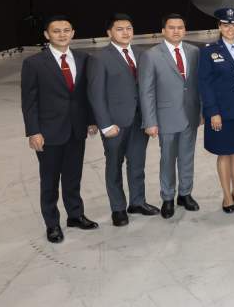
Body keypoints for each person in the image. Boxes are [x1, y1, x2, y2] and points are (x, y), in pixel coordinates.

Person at [21, 15, 98, 243]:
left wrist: (91, 120)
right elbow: (29, 101)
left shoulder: (84, 58)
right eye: (56, 31)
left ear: (73, 33)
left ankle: (75, 215)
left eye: (66, 30)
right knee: (50, 180)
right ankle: (52, 223)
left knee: (74, 176)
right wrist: (33, 131)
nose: (62, 34)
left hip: (76, 129)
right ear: (47, 35)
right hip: (49, 132)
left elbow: (87, 94)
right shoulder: (34, 63)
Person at [87, 13, 158, 227]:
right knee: (114, 166)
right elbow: (95, 94)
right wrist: (105, 124)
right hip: (115, 124)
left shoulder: (142, 53)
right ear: (109, 33)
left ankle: (137, 202)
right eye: (120, 29)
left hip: (140, 120)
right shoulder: (99, 58)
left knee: (137, 164)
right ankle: (118, 208)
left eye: (129, 28)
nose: (126, 32)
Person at [139, 13, 202, 219]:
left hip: (190, 114)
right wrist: (150, 121)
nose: (176, 31)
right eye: (172, 27)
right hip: (165, 117)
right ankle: (167, 197)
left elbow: (198, 86)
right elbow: (146, 91)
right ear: (163, 30)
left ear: (185, 30)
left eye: (180, 27)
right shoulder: (152, 55)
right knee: (167, 159)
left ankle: (185, 194)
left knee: (187, 157)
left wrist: (201, 111)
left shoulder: (194, 51)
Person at [198, 7, 234, 214]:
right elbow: (204, 84)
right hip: (221, 113)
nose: (230, 28)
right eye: (226, 25)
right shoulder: (209, 51)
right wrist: (213, 112)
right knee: (224, 153)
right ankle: (226, 195)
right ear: (219, 26)